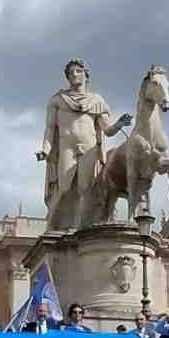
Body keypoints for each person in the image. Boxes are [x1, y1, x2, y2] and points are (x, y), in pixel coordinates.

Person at [36, 58, 131, 229]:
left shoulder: (96, 100)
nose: (74, 74)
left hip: (89, 148)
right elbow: (50, 129)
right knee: (63, 188)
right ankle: (51, 226)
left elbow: (107, 130)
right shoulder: (58, 100)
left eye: (78, 71)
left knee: (85, 189)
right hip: (67, 147)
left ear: (86, 74)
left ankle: (79, 227)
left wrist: (119, 124)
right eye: (70, 73)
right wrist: (45, 150)